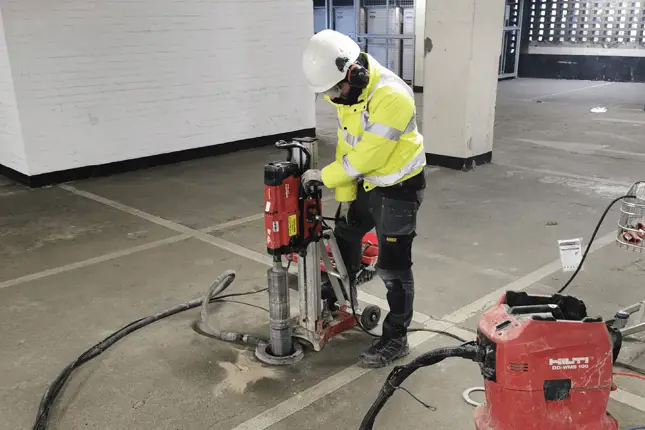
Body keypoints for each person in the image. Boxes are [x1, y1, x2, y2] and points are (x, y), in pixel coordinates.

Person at [300, 29, 426, 369]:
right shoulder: (349, 96)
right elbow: (347, 144)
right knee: (345, 233)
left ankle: (397, 337)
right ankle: (345, 295)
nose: (333, 98)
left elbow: (367, 156)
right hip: (369, 185)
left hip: (399, 188)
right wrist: (344, 195)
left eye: (335, 90)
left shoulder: (392, 97)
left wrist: (324, 177)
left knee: (393, 267)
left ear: (354, 73)